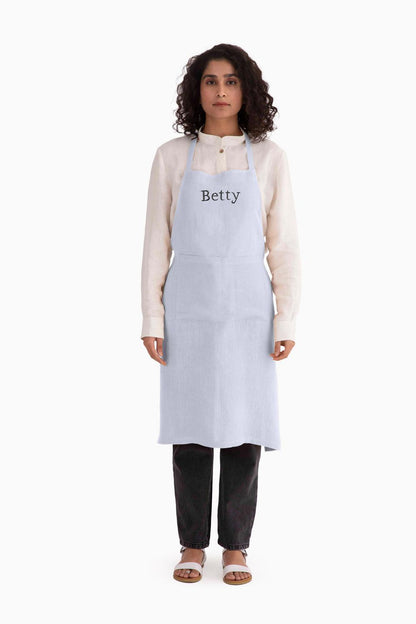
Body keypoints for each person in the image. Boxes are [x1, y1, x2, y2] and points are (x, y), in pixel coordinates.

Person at [140, 43, 301, 584]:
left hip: (249, 311)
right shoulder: (171, 157)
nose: (221, 91)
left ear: (247, 90)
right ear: (197, 91)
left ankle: (236, 547)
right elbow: (156, 242)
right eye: (210, 81)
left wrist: (286, 318)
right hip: (187, 309)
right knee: (189, 431)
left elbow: (283, 245)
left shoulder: (270, 158)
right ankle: (191, 544)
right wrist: (152, 317)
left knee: (243, 429)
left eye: (231, 81)